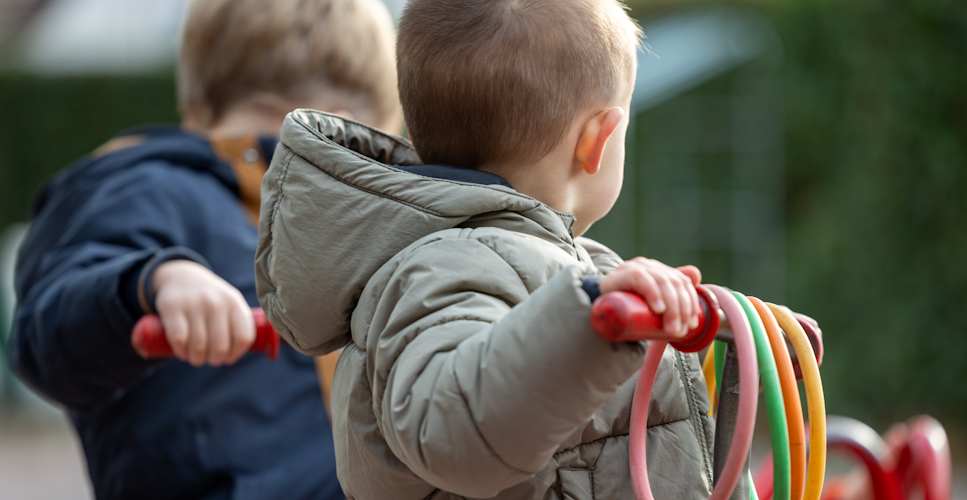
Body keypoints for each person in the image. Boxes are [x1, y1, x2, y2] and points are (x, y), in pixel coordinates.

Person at [254, 0, 723, 498]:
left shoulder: (569, 263)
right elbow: (452, 429)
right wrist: (588, 326)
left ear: (417, 138)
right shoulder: (440, 267)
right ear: (599, 140)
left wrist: (742, 343)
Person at [7, 0, 401, 499]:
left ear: (195, 108)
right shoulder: (140, 188)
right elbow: (43, 339)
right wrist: (152, 282)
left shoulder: (359, 226)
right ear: (344, 131)